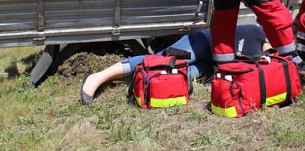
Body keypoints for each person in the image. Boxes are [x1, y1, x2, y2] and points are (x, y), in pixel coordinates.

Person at [80, 24, 271, 104]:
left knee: (173, 76)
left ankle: (135, 78)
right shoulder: (259, 31)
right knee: (163, 61)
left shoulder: (266, 50)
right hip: (205, 42)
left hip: (212, 64)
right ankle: (97, 77)